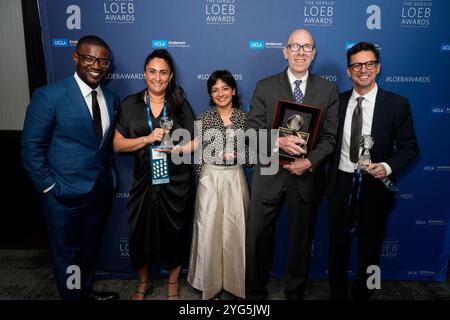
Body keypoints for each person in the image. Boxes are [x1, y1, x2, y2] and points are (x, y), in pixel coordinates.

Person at [21, 35, 120, 300]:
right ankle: (74, 298)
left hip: (99, 192)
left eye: (102, 61)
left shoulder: (110, 98)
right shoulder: (49, 96)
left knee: (88, 249)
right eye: (89, 58)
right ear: (76, 57)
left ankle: (84, 291)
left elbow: (103, 146)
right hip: (63, 195)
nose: (96, 65)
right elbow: (31, 147)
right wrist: (50, 186)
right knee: (68, 254)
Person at [245, 29, 339, 300]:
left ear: (314, 53)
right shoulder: (266, 86)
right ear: (285, 51)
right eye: (295, 47)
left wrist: (309, 161)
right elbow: (251, 131)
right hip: (269, 173)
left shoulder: (327, 89)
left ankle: (295, 292)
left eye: (307, 47)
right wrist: (278, 142)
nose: (300, 52)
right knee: (258, 238)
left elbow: (330, 137)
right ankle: (255, 292)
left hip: (305, 176)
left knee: (300, 241)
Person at [326, 42, 419, 300]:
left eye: (369, 64)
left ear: (377, 68)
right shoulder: (337, 102)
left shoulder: (397, 104)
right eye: (356, 65)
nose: (363, 70)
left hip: (375, 186)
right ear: (348, 71)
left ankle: (363, 296)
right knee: (336, 250)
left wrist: (387, 166)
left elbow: (410, 148)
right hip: (340, 183)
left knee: (370, 251)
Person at [113, 49, 195, 300]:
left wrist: (179, 148)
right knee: (140, 233)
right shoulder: (130, 104)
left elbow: (197, 141)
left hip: (177, 181)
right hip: (143, 181)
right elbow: (117, 145)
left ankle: (172, 283)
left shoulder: (180, 104)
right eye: (152, 72)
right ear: (144, 73)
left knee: (175, 232)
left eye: (163, 73)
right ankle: (143, 282)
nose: (157, 78)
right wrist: (146, 138)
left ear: (170, 77)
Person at [187, 70, 249, 300]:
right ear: (210, 95)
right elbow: (197, 154)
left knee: (236, 229)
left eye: (225, 88)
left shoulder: (245, 118)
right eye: (215, 90)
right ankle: (207, 282)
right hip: (209, 178)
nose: (220, 94)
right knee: (208, 230)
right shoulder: (203, 118)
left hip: (235, 177)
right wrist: (202, 178)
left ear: (233, 90)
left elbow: (254, 154)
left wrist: (239, 156)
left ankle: (235, 282)